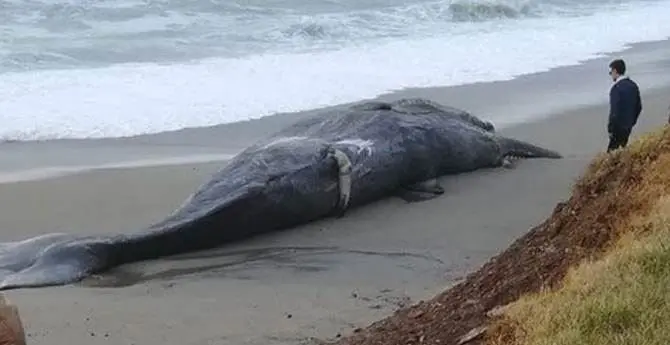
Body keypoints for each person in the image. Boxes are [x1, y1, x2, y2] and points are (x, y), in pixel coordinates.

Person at [607, 58, 642, 152]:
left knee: (611, 154)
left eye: (610, 72)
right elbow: (638, 107)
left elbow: (614, 111)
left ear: (615, 71)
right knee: (622, 149)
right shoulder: (633, 85)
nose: (610, 75)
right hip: (628, 125)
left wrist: (610, 128)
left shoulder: (616, 89)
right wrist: (632, 121)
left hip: (617, 127)